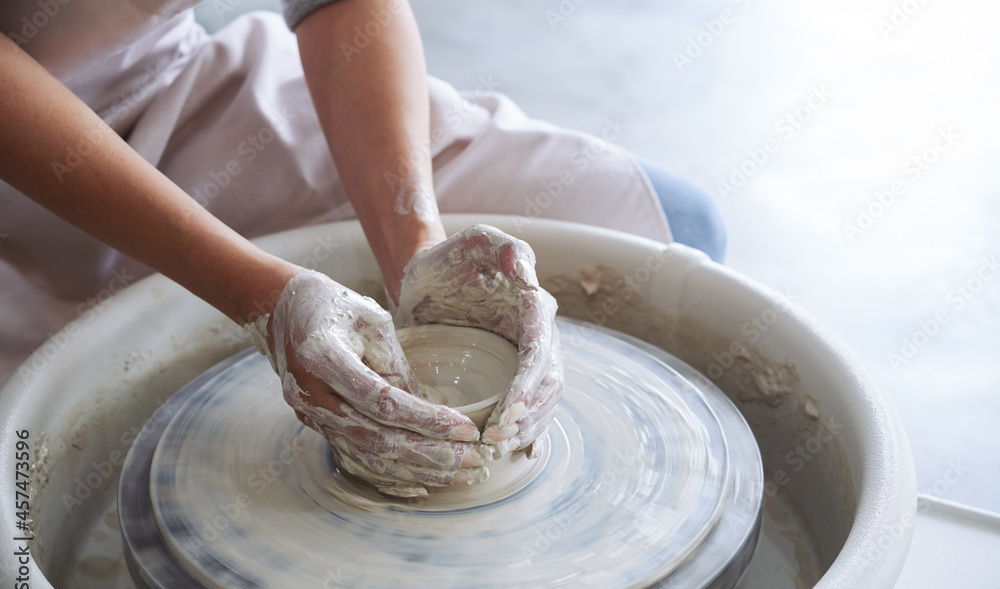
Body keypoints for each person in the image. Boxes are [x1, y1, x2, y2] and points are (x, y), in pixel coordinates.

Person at [0, 0, 725, 497]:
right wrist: (259, 296)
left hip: (178, 94)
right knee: (32, 523)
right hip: (22, 166)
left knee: (674, 227)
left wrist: (419, 251)